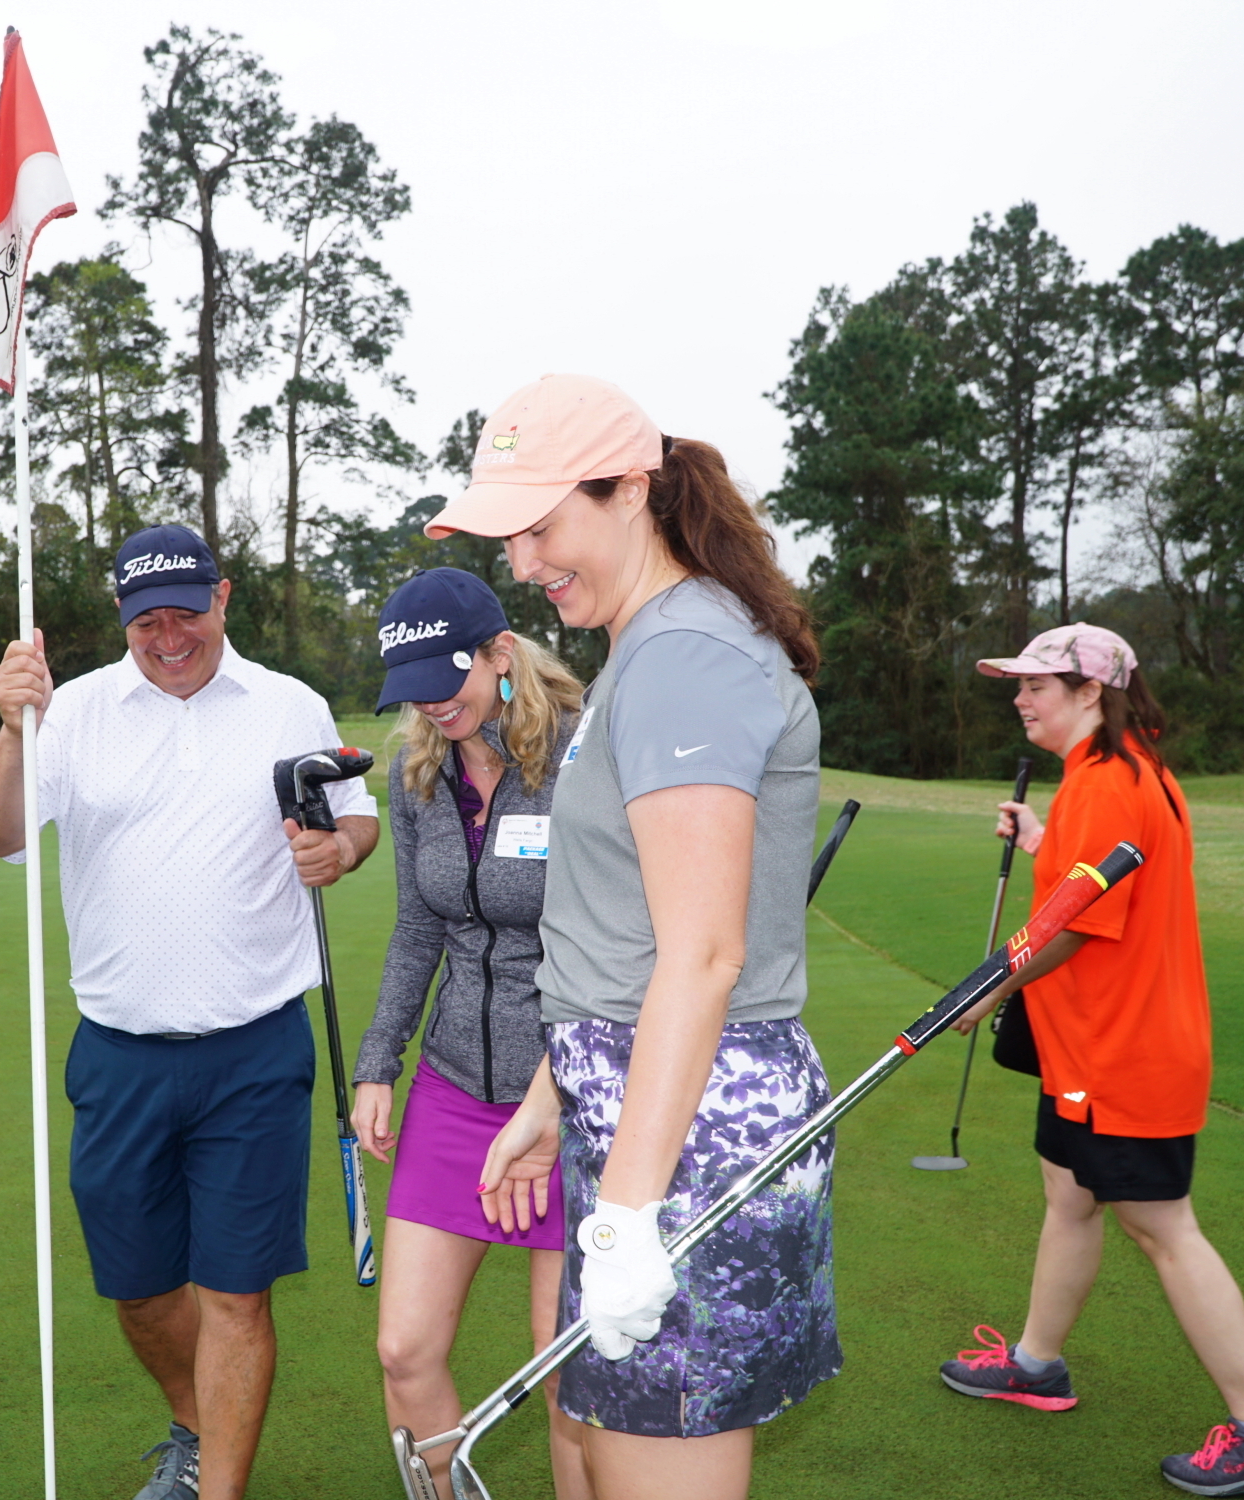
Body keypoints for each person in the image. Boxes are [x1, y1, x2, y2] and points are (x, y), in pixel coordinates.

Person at [455, 374, 832, 1500]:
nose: (522, 562)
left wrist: (625, 1212)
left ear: (628, 489)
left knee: (647, 1461)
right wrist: (552, 1095)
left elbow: (704, 955)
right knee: (601, 1440)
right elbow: (620, 927)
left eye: (540, 525)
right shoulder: (652, 647)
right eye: (507, 535)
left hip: (689, 1125)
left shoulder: (684, 656)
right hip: (641, 1102)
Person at [0, 523, 381, 1500]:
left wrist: (342, 850)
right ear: (123, 620)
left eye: (186, 614)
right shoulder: (72, 712)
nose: (168, 637)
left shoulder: (290, 704)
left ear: (222, 598)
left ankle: (216, 1486)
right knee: (141, 1291)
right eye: (146, 622)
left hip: (256, 1047)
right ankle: (195, 1425)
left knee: (237, 1295)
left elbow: (355, 812)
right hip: (120, 1054)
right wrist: (13, 728)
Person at [937, 623, 1244, 1496]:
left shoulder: (1108, 782)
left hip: (1125, 1052)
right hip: (1092, 1045)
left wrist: (989, 989)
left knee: (1164, 1229)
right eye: (1019, 684)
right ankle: (1037, 1363)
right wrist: (1044, 841)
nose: (1019, 698)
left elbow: (1078, 925)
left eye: (1037, 684)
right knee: (1070, 1195)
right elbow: (1098, 879)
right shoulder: (1118, 774)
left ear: (1090, 693)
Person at [351, 567, 588, 1500]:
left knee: (568, 1371)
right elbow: (419, 928)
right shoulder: (419, 773)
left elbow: (620, 943)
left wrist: (559, 1088)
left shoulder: (583, 758)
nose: (430, 705)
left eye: (444, 680)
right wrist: (379, 1062)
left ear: (500, 654)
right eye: (411, 688)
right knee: (404, 1349)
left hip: (572, 1094)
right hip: (453, 1088)